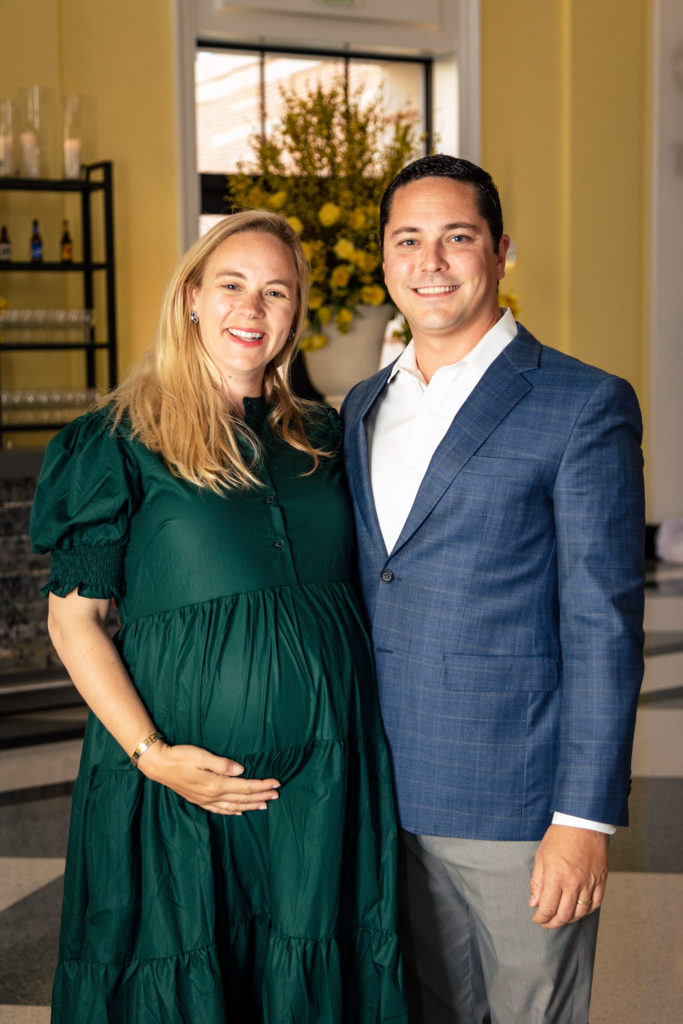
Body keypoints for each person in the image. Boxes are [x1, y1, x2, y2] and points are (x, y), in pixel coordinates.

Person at [30, 210, 406, 1023]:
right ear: (192, 297)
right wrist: (152, 753)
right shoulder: (117, 440)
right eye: (232, 285)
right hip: (179, 789)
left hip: (324, 785)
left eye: (276, 291)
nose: (253, 308)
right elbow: (75, 623)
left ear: (295, 314)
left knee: (309, 980)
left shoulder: (323, 437)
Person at [341, 155, 645, 1023]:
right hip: (382, 792)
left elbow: (601, 626)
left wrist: (582, 820)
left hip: (515, 807)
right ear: (384, 259)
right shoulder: (361, 402)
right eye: (408, 239)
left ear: (500, 252)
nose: (430, 261)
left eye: (456, 237)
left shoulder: (580, 404)